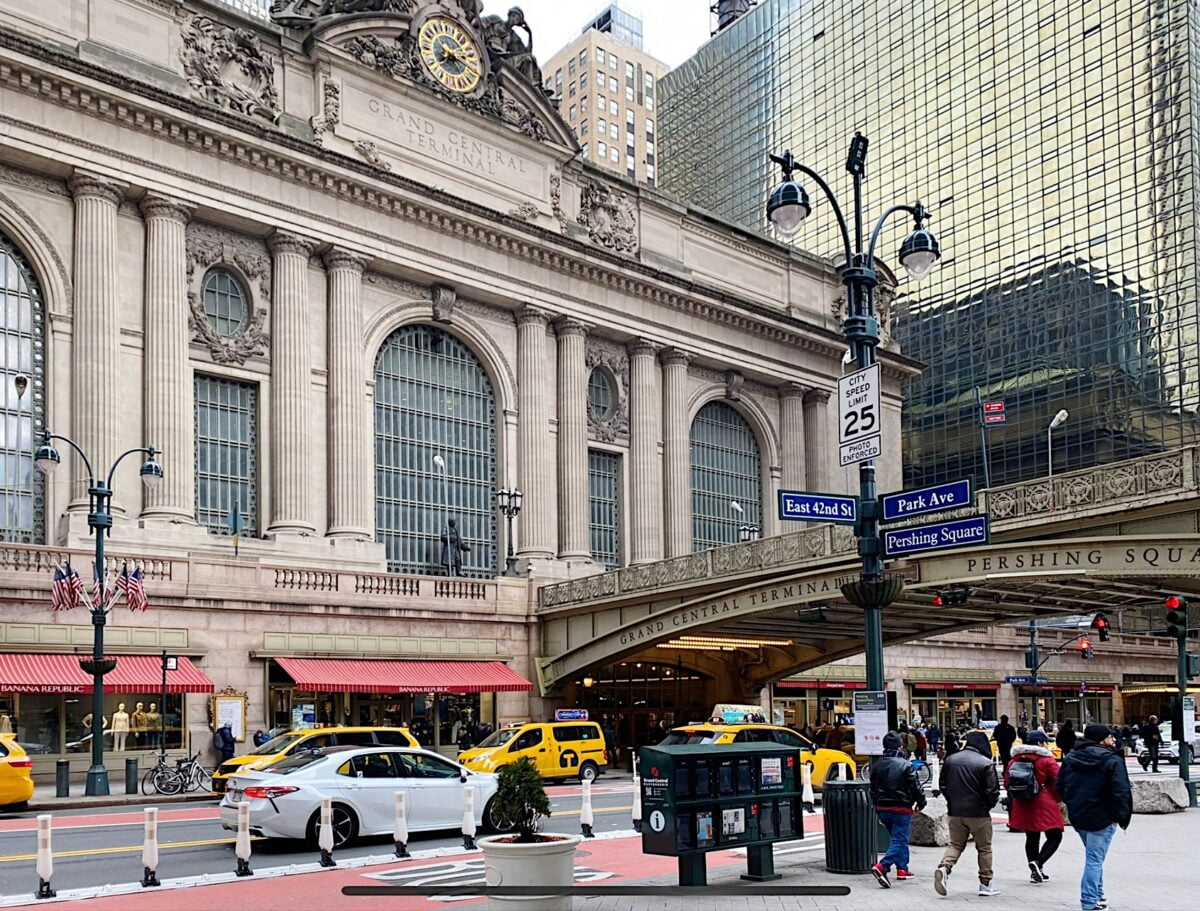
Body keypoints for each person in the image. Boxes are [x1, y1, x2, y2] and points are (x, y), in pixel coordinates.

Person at [1057, 724, 1132, 911]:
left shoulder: (1072, 757)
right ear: (1102, 739)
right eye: (1110, 737)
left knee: (1094, 856)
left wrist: (1073, 803)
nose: (1113, 740)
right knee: (1094, 859)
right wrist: (1120, 816)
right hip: (1104, 817)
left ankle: (1098, 894)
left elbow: (1061, 786)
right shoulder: (1112, 760)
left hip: (1079, 815)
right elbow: (1120, 791)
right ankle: (1090, 901)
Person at [934, 731, 1001, 897]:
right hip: (979, 812)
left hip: (955, 811)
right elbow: (992, 791)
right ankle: (985, 884)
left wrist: (952, 801)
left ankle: (945, 867)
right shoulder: (985, 763)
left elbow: (943, 784)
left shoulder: (951, 760)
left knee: (955, 845)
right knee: (984, 849)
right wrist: (987, 806)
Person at [1004, 730, 1063, 884]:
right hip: (1044, 800)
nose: (1047, 745)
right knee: (1055, 835)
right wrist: (1058, 799)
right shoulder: (1047, 760)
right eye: (1045, 742)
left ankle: (1035, 871)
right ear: (1039, 743)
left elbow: (1007, 783)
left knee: (1031, 837)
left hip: (1022, 802)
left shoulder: (1014, 760)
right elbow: (1058, 783)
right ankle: (1038, 862)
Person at [870, 731, 927, 887]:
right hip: (901, 807)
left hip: (883, 807)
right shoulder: (906, 765)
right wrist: (921, 802)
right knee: (900, 840)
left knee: (897, 839)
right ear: (900, 746)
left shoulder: (877, 766)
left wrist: (876, 806)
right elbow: (915, 786)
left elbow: (873, 789)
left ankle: (902, 868)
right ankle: (883, 866)